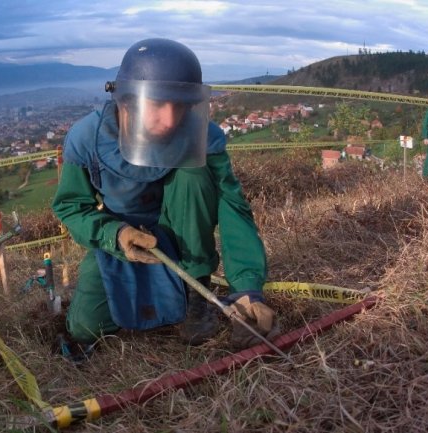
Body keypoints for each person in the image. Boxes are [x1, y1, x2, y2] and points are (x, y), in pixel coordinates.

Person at [52, 38, 277, 353]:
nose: (170, 120)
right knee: (87, 327)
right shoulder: (86, 138)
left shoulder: (202, 137)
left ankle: (196, 289)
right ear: (126, 100)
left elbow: (231, 205)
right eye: (157, 103)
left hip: (182, 234)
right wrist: (114, 234)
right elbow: (72, 207)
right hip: (123, 238)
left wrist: (247, 289)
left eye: (180, 104)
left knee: (194, 173)